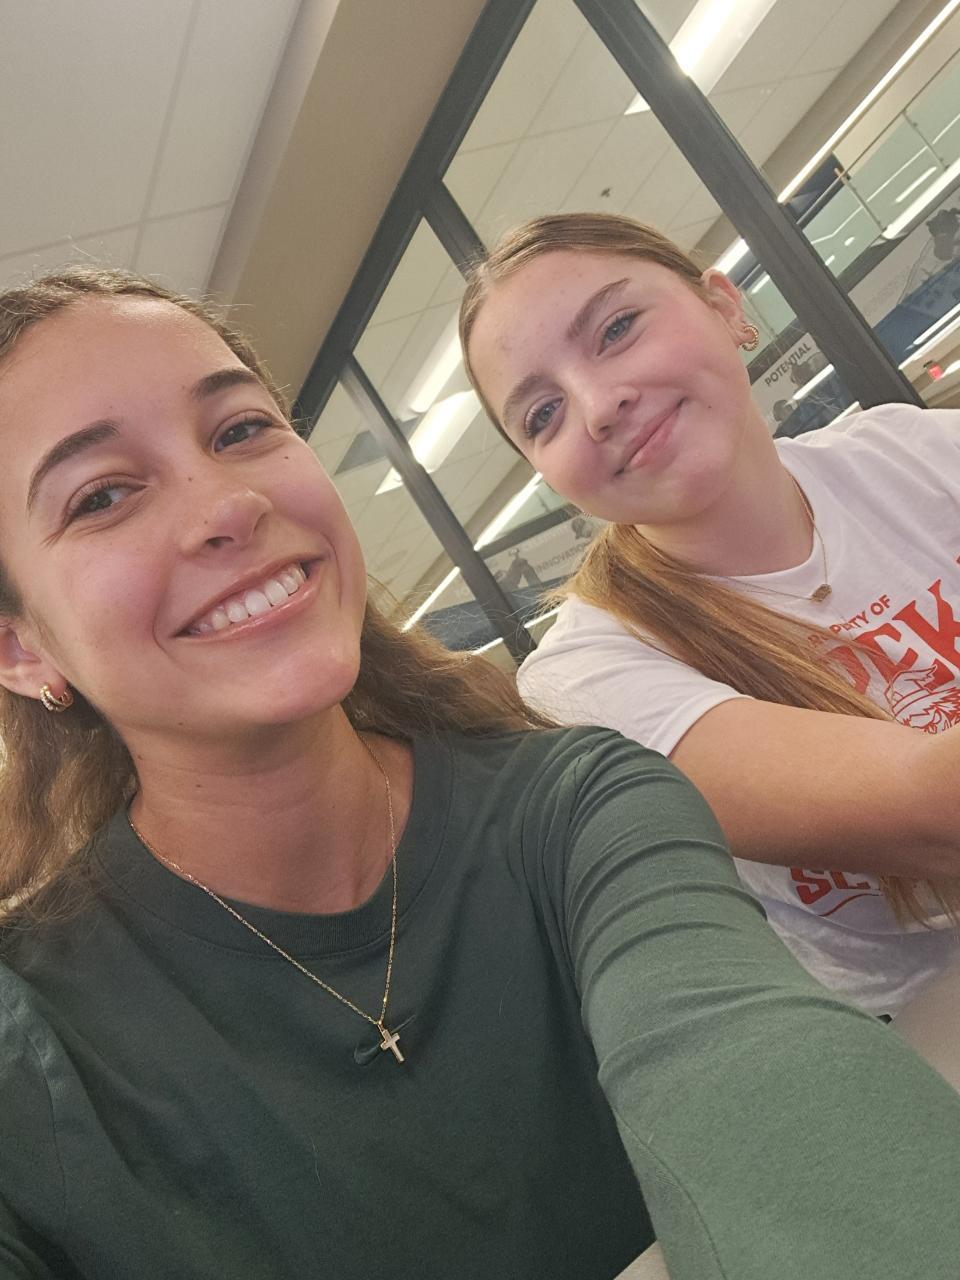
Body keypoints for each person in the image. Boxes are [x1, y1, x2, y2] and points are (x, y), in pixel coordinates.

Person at [2, 270, 960, 1280]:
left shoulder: (577, 804)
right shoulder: (36, 1043)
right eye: (101, 495)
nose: (227, 505)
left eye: (240, 430)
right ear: (21, 649)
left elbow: (740, 1049)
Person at [460, 211, 960, 1017]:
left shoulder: (903, 452)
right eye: (542, 415)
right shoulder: (583, 677)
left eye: (617, 328)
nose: (598, 406)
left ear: (727, 307)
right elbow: (938, 814)